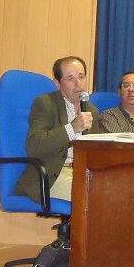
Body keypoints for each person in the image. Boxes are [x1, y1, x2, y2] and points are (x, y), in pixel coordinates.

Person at [14, 56, 100, 203]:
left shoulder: (92, 110)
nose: (78, 84)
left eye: (81, 77)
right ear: (57, 83)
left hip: (81, 173)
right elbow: (34, 145)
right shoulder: (46, 104)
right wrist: (72, 128)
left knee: (113, 190)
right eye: (70, 79)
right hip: (52, 175)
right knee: (95, 197)